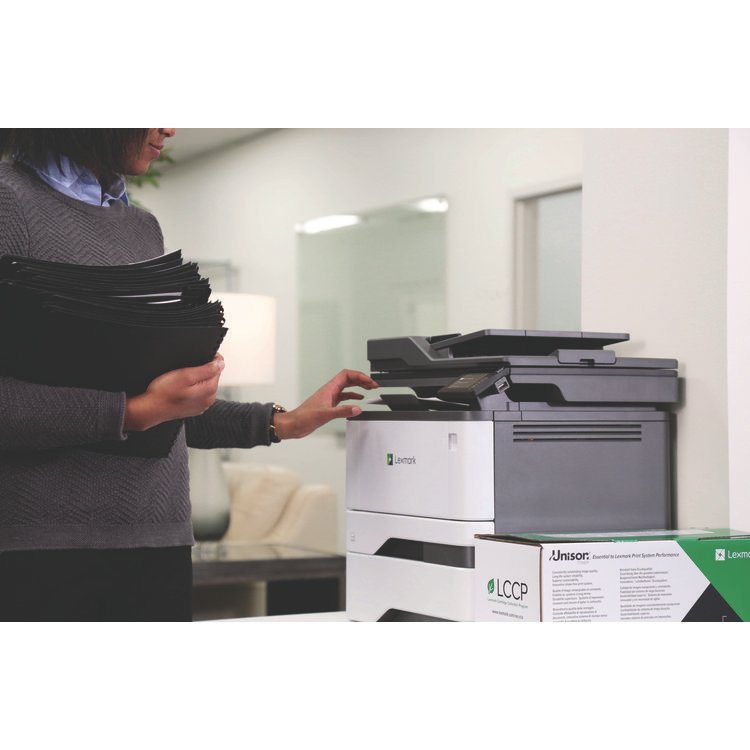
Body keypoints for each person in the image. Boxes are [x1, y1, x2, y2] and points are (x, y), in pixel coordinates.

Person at [0, 128, 378, 622]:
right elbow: (139, 408)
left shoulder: (141, 226)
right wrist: (132, 413)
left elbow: (166, 407)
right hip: (39, 546)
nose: (170, 127)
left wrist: (282, 422)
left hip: (160, 540)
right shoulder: (9, 204)